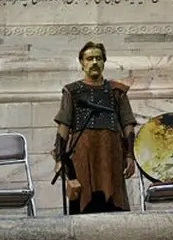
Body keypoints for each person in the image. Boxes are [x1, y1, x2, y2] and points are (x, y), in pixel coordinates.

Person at [52, 42, 136, 214]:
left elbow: (127, 125)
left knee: (114, 203)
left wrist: (130, 156)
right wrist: (60, 159)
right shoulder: (71, 91)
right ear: (82, 63)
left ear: (104, 62)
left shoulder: (117, 91)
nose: (94, 62)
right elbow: (64, 126)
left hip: (111, 154)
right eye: (90, 59)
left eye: (98, 58)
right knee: (83, 203)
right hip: (82, 155)